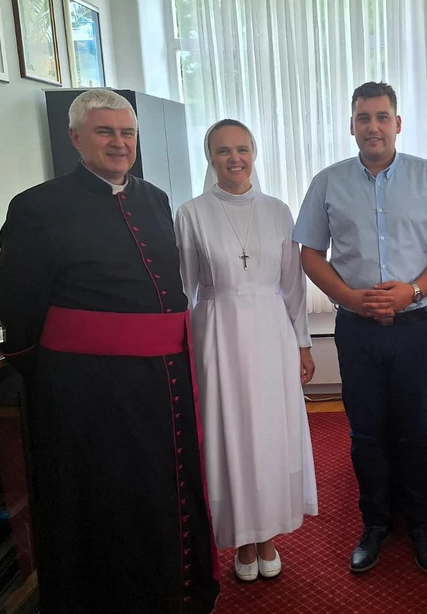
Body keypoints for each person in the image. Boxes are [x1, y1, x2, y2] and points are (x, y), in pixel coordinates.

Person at [0, 89, 220, 613]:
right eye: (105, 132)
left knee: (163, 490)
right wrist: (52, 371)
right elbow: (17, 304)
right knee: (109, 500)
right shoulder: (37, 206)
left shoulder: (155, 198)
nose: (119, 143)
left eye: (127, 133)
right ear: (76, 138)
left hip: (164, 381)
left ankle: (175, 591)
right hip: (89, 389)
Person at [293, 81, 427, 575]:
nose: (373, 127)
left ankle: (422, 525)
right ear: (351, 126)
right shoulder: (328, 182)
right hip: (356, 328)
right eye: (363, 118)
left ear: (398, 123)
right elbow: (309, 252)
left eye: (382, 117)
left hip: (413, 325)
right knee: (366, 432)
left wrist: (414, 290)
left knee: (417, 431)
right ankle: (374, 524)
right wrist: (348, 297)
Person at [175, 119, 318, 581]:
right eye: (223, 151)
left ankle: (268, 534)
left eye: (242, 149)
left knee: (270, 433)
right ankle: (241, 537)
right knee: (231, 432)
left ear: (254, 153)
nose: (234, 158)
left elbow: (292, 285)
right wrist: (181, 351)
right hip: (218, 334)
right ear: (210, 158)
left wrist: (303, 343)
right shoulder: (191, 213)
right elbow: (184, 289)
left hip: (272, 333)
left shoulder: (278, 211)